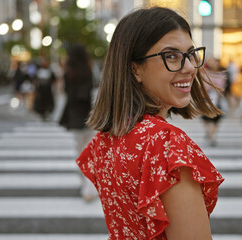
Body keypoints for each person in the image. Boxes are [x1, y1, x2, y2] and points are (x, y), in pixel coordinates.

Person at [76, 7, 224, 239]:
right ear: (135, 68)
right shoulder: (165, 144)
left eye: (190, 54)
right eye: (171, 56)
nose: (188, 68)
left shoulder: (104, 140)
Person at [59, 43, 97, 201]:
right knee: (91, 152)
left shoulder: (69, 72)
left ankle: (84, 184)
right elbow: (95, 90)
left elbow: (65, 92)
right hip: (89, 114)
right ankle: (89, 187)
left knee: (80, 151)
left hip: (74, 115)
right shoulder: (90, 70)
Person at [202, 57, 228, 146]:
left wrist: (212, 85)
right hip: (207, 99)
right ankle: (208, 132)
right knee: (206, 118)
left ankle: (213, 135)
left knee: (216, 119)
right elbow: (205, 86)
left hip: (218, 99)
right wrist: (214, 86)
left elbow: (222, 87)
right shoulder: (206, 73)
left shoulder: (222, 74)